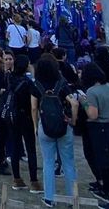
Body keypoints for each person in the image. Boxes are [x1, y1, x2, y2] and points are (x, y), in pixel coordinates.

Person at [31, 56, 78, 207]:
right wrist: (73, 121)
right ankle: (72, 199)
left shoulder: (36, 85)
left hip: (45, 126)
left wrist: (35, 126)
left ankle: (49, 197)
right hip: (63, 124)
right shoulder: (61, 83)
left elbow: (33, 108)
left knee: (48, 162)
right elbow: (74, 103)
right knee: (68, 163)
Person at [81, 63, 109, 209]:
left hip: (100, 129)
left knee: (105, 166)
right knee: (107, 164)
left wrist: (84, 102)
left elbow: (93, 115)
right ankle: (107, 191)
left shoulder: (92, 92)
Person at [7, 53, 41, 191]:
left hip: (12, 116)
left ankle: (17, 179)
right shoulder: (28, 82)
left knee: (15, 148)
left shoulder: (9, 78)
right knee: (31, 149)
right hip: (26, 116)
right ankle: (34, 181)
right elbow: (34, 104)